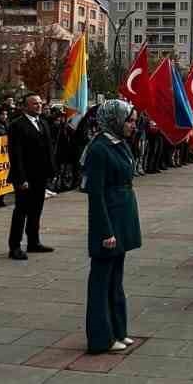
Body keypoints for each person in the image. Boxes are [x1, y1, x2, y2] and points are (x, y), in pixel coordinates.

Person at [82, 98, 142, 354]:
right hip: (109, 220)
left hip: (122, 216)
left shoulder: (119, 144)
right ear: (115, 120)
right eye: (129, 121)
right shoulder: (99, 148)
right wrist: (105, 231)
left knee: (116, 280)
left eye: (133, 121)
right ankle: (100, 337)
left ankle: (119, 329)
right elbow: (95, 195)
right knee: (101, 281)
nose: (132, 125)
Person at [7, 92, 55, 260]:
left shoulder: (43, 123)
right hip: (25, 177)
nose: (39, 105)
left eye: (40, 103)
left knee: (36, 210)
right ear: (25, 106)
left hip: (40, 176)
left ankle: (33, 242)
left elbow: (48, 149)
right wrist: (21, 178)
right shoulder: (17, 125)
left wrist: (51, 172)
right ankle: (15, 246)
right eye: (35, 103)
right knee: (21, 211)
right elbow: (16, 154)